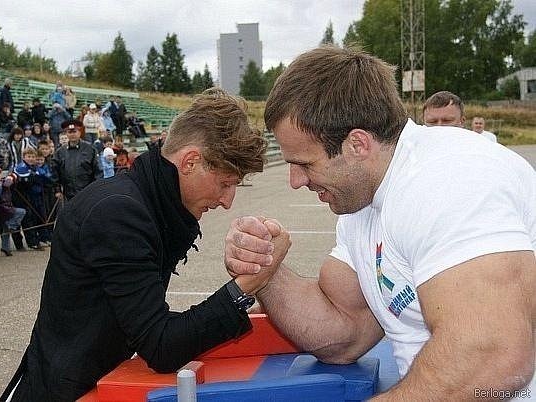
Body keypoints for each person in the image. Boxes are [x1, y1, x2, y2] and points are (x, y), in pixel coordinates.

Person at [224, 46, 536, 400]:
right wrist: (264, 270)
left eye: (305, 164)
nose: (295, 181)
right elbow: (345, 332)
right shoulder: (363, 201)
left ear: (357, 144)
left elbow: (495, 356)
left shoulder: (450, 180)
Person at [0, 88, 268, 402]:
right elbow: (160, 345)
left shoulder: (144, 201)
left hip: (88, 382)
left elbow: (140, 322)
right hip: (66, 393)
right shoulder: (119, 212)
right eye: (225, 183)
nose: (227, 201)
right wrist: (243, 288)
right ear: (190, 161)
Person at [51, 119, 101, 201]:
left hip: (88, 193)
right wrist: (57, 190)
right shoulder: (60, 152)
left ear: (79, 132)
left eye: (74, 131)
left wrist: (96, 189)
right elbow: (55, 172)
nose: (72, 134)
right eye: (69, 132)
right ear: (66, 133)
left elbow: (98, 171)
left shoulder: (90, 149)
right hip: (68, 195)